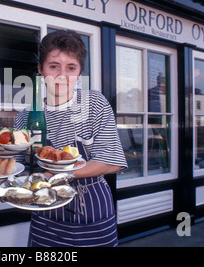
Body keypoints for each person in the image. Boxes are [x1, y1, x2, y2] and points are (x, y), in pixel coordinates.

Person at [13, 29, 127, 247]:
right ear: (41, 70)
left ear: (79, 72)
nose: (62, 75)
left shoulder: (94, 104)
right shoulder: (27, 115)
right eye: (54, 66)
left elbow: (111, 160)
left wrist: (51, 176)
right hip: (44, 217)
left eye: (71, 68)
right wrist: (3, 182)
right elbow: (18, 163)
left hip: (92, 216)